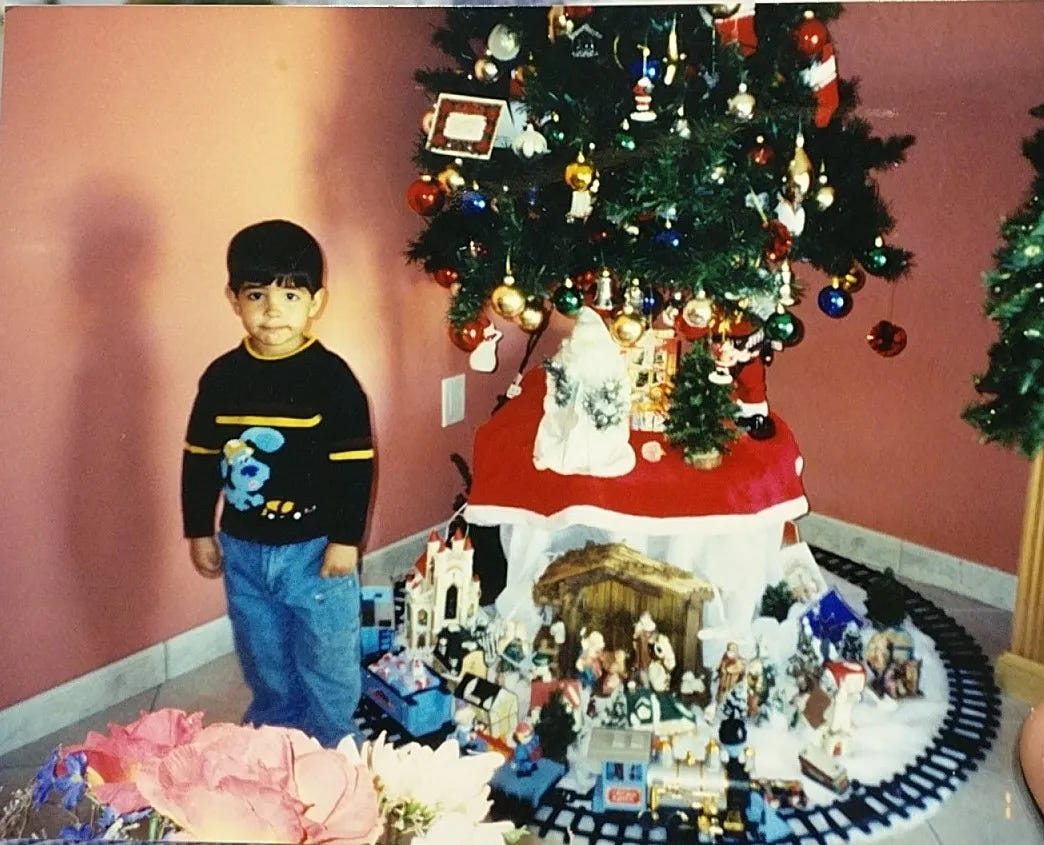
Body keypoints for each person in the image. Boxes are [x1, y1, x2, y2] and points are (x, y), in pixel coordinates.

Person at [181, 219, 374, 748]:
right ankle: (275, 735)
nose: (272, 310)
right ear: (233, 299)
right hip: (242, 548)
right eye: (256, 294)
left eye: (290, 294)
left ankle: (333, 743)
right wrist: (199, 528)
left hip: (315, 551)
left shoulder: (332, 379)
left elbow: (355, 465)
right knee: (261, 650)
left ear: (316, 301)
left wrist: (346, 539)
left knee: (326, 655)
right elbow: (199, 458)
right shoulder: (221, 377)